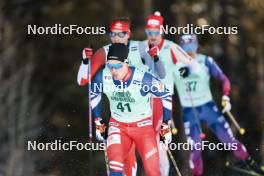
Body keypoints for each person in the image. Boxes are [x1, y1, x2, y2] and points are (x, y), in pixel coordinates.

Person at [77, 18, 166, 176]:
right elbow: (84, 81)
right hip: (120, 112)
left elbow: (161, 76)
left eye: (121, 34)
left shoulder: (140, 47)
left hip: (146, 109)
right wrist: (85, 62)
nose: (116, 38)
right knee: (123, 161)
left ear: (128, 34)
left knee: (155, 164)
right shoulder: (105, 52)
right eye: (113, 34)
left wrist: (156, 58)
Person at [173, 34, 264, 176]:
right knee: (195, 147)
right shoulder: (175, 65)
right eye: (186, 48)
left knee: (228, 139)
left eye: (192, 47)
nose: (190, 51)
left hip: (208, 107)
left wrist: (226, 97)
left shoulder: (205, 61)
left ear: (197, 46)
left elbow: (223, 79)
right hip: (190, 111)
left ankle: (251, 164)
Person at [90, 43, 173, 176]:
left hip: (143, 128)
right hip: (118, 127)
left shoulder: (143, 79)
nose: (113, 71)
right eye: (110, 66)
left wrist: (166, 124)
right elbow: (94, 94)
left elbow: (166, 94)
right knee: (115, 168)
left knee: (153, 172)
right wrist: (98, 121)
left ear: (126, 63)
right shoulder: (103, 77)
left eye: (117, 66)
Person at [138, 11, 201, 176]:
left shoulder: (171, 47)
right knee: (145, 146)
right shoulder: (139, 46)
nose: (152, 36)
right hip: (140, 103)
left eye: (156, 32)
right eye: (149, 32)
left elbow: (194, 66)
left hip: (162, 102)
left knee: (159, 145)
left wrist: (184, 71)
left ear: (162, 30)